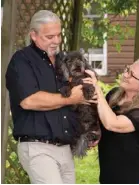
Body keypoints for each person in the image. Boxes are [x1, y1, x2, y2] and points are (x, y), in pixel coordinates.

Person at [5, 10, 89, 184]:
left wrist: (88, 131)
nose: (56, 41)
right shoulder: (22, 61)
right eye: (49, 37)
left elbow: (81, 96)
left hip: (65, 148)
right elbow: (29, 101)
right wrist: (70, 99)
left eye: (58, 35)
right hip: (38, 148)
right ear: (33, 35)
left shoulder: (63, 60)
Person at [85, 57, 139, 184]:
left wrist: (96, 89)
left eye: (131, 75)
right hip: (110, 174)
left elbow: (112, 124)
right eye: (128, 69)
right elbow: (102, 120)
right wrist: (95, 133)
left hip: (135, 177)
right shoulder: (114, 95)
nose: (125, 74)